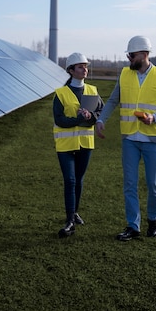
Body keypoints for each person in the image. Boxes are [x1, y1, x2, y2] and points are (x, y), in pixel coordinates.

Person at [96, 36, 156, 241]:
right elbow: (114, 99)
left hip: (152, 139)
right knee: (130, 184)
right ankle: (133, 226)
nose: (128, 59)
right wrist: (100, 120)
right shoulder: (124, 74)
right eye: (128, 56)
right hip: (130, 138)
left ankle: (153, 221)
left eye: (131, 56)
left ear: (143, 55)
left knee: (153, 183)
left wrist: (155, 117)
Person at [53, 52, 103, 238]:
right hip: (65, 144)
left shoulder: (92, 90)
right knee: (70, 180)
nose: (85, 70)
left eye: (86, 66)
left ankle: (74, 212)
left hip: (85, 143)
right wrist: (78, 118)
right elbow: (59, 120)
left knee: (79, 180)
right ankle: (69, 222)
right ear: (71, 70)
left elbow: (101, 110)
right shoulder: (60, 94)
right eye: (80, 67)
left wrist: (92, 117)